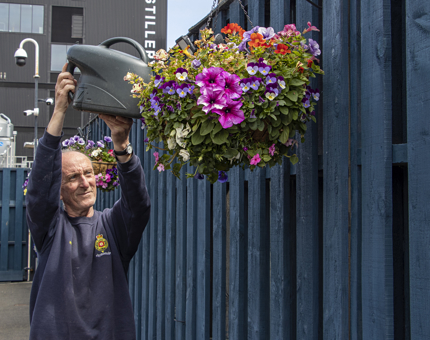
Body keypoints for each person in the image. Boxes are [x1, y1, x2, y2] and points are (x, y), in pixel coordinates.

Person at [26, 63, 151, 340]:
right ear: (58, 191)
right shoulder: (50, 228)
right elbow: (39, 189)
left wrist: (122, 145)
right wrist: (59, 111)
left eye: (89, 173)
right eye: (73, 177)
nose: (85, 182)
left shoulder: (112, 227)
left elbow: (138, 204)